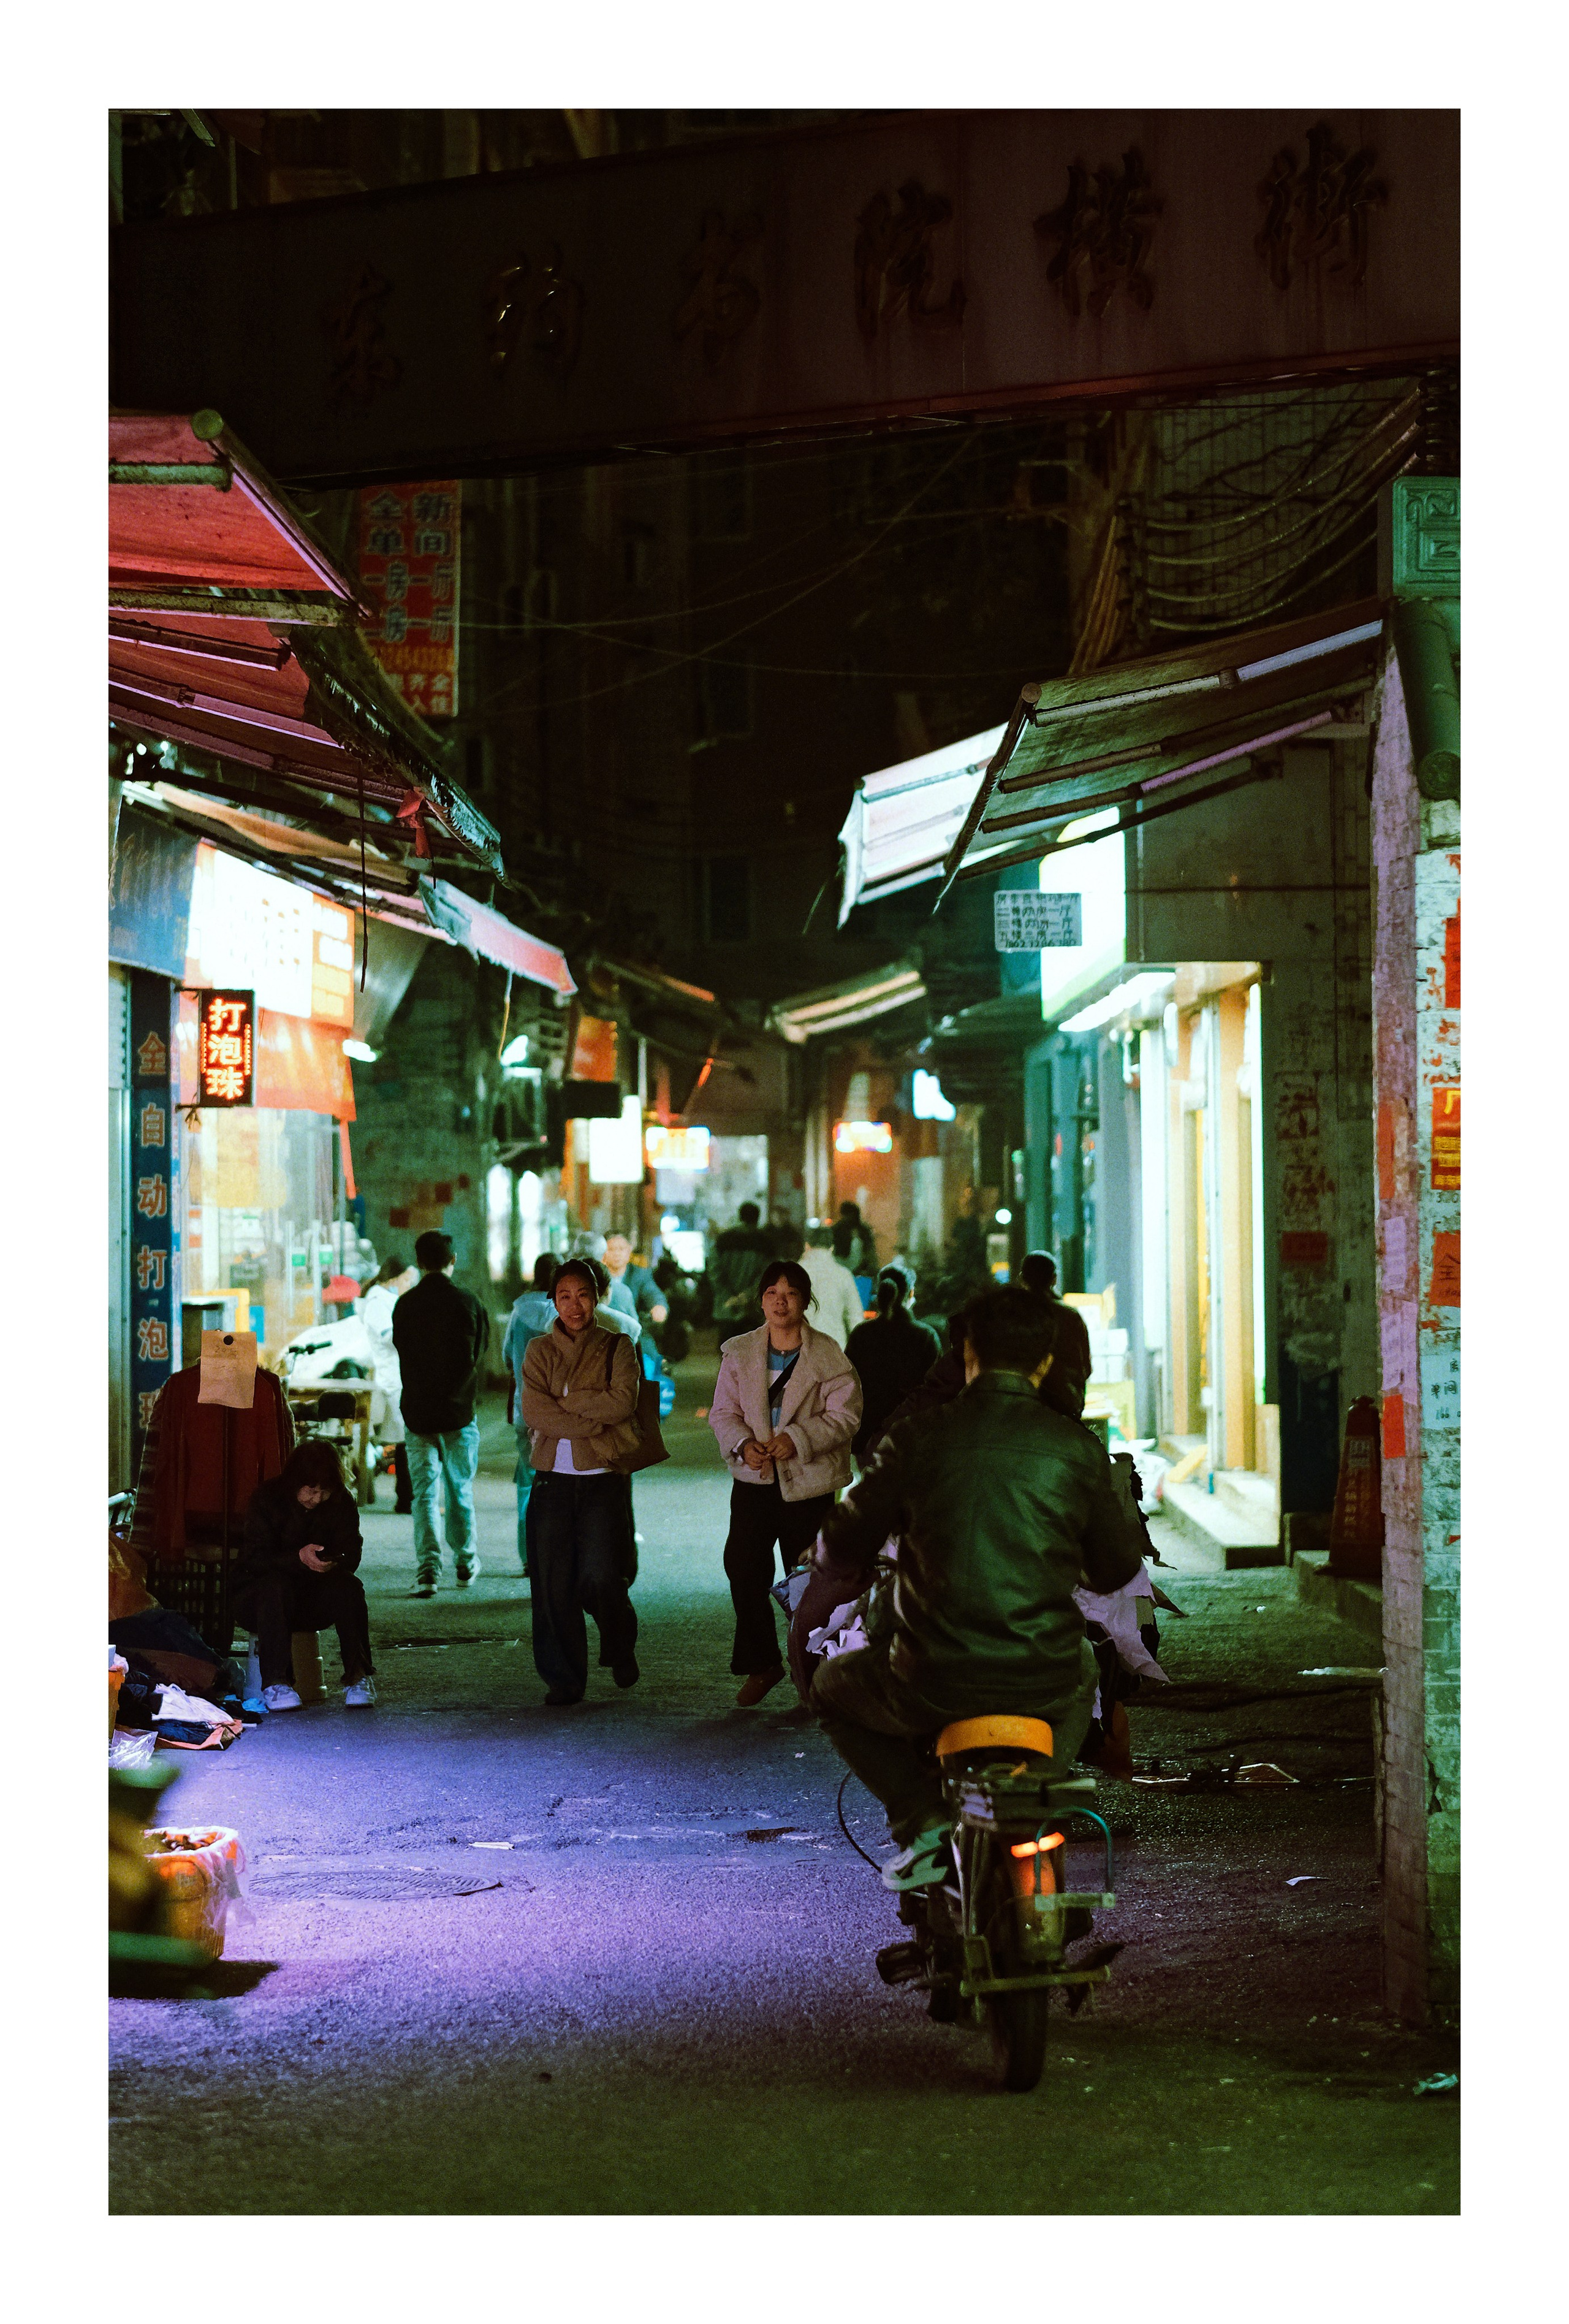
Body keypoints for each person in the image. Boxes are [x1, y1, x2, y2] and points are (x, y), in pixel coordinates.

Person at [792, 1286, 1147, 1889]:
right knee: (1085, 1661)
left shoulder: (916, 1436)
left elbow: (843, 1543)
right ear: (1043, 1362)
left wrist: (826, 1550)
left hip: (927, 1679)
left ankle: (920, 1817)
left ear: (967, 1352)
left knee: (828, 1687)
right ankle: (1034, 1793)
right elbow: (1115, 1570)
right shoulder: (1076, 1449)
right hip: (1043, 1678)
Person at [709, 1258, 862, 1707]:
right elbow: (723, 1412)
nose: (781, 1301)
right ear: (761, 1300)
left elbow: (846, 1415)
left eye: (791, 1293)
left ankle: (813, 1676)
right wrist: (743, 1443)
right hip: (754, 1479)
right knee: (743, 1566)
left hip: (810, 1486)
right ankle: (763, 1663)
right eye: (772, 1293)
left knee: (810, 1583)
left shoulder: (829, 1354)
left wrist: (797, 1438)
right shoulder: (739, 1352)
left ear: (805, 1301)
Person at [519, 1258, 643, 1705]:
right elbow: (535, 1411)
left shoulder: (618, 1347)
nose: (574, 1305)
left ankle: (619, 1638)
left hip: (603, 1482)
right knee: (553, 1585)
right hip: (552, 1481)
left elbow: (622, 1404)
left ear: (597, 1297)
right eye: (565, 1296)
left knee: (601, 1576)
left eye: (583, 1295)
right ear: (552, 1300)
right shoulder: (539, 1351)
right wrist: (590, 1415)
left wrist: (569, 1406)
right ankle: (564, 1678)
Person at [234, 1439, 376, 1710]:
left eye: (324, 1492)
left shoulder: (341, 1501)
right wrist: (298, 1558)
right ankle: (276, 1683)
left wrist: (334, 1561)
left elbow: (352, 1554)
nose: (317, 1499)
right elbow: (254, 1561)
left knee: (350, 1587)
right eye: (310, 1491)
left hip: (314, 1600)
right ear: (295, 1484)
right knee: (274, 1586)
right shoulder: (267, 1499)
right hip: (262, 1603)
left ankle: (359, 1677)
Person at [391, 1230, 490, 1599]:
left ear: (419, 1263)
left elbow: (401, 1351)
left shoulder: (405, 1305)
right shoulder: (468, 1303)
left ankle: (428, 1570)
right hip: (458, 1414)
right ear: (453, 1261)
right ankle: (466, 1562)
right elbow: (480, 1354)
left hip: (417, 1414)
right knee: (459, 1489)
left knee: (424, 1494)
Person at [843, 1267, 941, 1462]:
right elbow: (936, 1390)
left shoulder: (862, 1334)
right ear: (911, 1294)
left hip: (866, 1434)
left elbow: (847, 1384)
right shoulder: (925, 1337)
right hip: (910, 1434)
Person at [503, 1253, 560, 1574]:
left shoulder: (519, 1311)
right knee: (560, 1482)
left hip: (526, 1411)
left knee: (528, 1484)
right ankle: (555, 1552)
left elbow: (506, 1356)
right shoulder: (566, 1315)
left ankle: (529, 1556)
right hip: (560, 1414)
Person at [360, 1254, 417, 1512]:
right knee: (405, 1441)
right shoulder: (376, 1303)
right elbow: (388, 1337)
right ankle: (405, 1498)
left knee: (408, 1439)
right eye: (406, 1280)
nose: (408, 1285)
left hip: (402, 1375)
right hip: (393, 1377)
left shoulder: (389, 1300)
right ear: (394, 1279)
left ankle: (408, 1497)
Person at [1017, 1249, 1093, 1417]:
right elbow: (1085, 1368)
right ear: (1054, 1279)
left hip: (1021, 1407)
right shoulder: (1071, 1316)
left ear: (1022, 1278)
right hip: (1065, 1405)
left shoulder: (1015, 1315)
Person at [709, 1202, 775, 1339]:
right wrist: (746, 1296)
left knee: (727, 1354)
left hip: (726, 1307)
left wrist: (729, 1296)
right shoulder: (766, 1242)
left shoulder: (723, 1240)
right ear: (757, 1219)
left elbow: (714, 1271)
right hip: (753, 1309)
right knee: (752, 1354)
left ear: (740, 1217)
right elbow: (767, 1275)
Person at [798, 1221, 866, 1349]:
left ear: (807, 1246)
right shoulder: (843, 1275)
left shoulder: (793, 1274)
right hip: (835, 1346)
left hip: (800, 1348)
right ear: (832, 1248)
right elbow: (855, 1318)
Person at [604, 1232, 668, 1335]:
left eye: (621, 1249)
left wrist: (658, 1306)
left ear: (629, 1251)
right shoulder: (594, 1274)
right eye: (611, 1249)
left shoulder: (639, 1274)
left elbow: (652, 1292)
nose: (617, 1254)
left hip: (633, 1333)